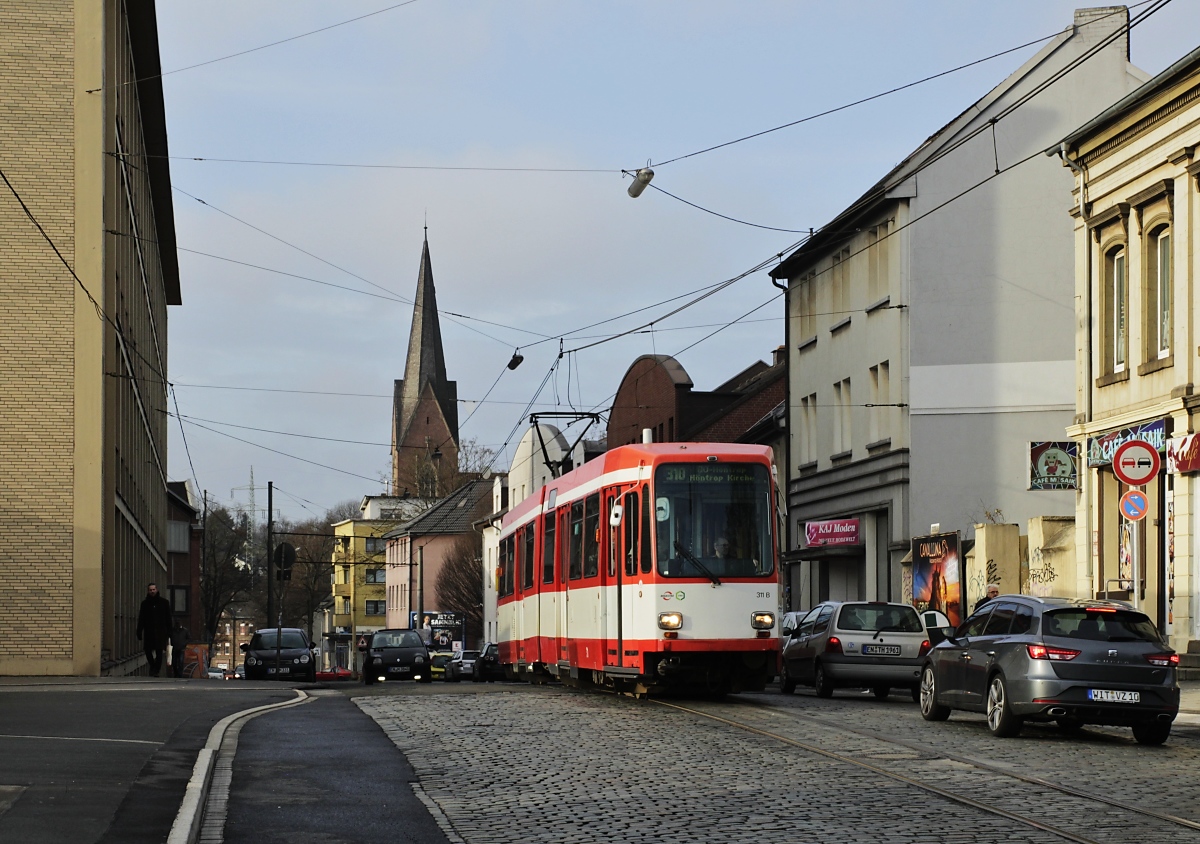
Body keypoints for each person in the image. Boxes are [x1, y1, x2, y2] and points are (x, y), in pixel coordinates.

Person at [136, 583, 173, 677]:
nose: (152, 591)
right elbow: (141, 618)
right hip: (149, 631)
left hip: (161, 632)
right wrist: (139, 630)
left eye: (153, 589)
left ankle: (156, 670)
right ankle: (153, 666)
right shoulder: (145, 604)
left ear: (157, 590)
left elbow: (168, 618)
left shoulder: (164, 603)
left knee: (159, 651)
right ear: (148, 591)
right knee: (147, 650)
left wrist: (169, 631)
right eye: (150, 590)